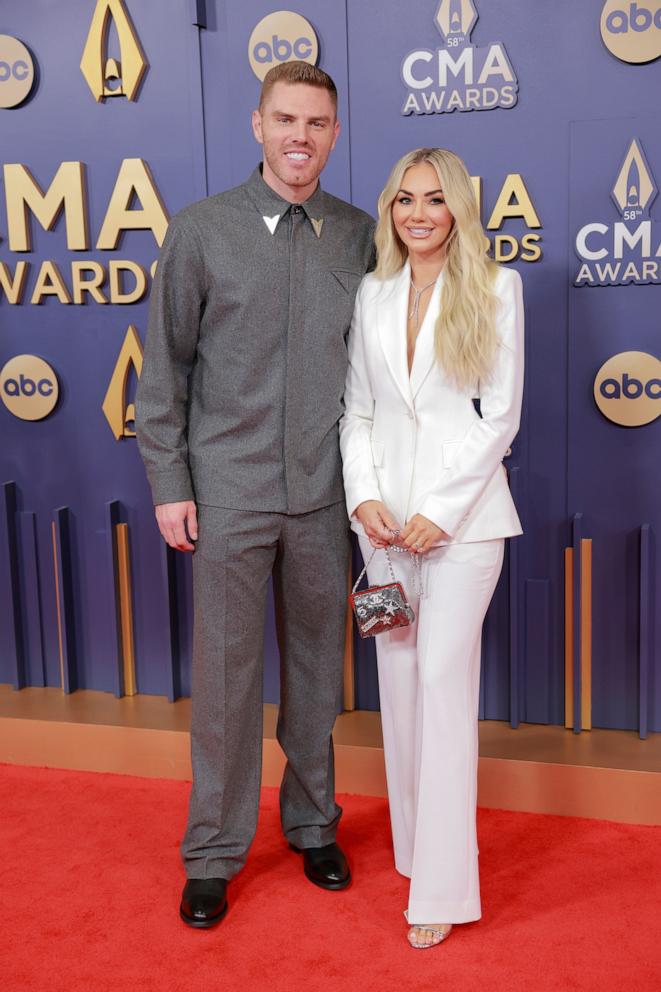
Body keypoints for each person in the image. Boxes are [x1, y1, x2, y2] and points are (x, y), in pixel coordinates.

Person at [135, 61, 375, 928]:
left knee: (316, 674)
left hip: (324, 495)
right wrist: (171, 482)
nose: (299, 137)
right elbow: (164, 372)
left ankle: (313, 827)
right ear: (256, 124)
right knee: (229, 683)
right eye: (285, 120)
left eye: (316, 122)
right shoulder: (200, 231)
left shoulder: (359, 235)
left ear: (335, 133)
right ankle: (213, 853)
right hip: (228, 494)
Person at [339, 148, 524, 949]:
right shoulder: (373, 292)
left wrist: (440, 512)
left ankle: (442, 890)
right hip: (383, 534)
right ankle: (415, 852)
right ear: (390, 209)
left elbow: (499, 419)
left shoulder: (494, 288)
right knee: (400, 690)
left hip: (464, 532)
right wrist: (364, 498)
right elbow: (358, 413)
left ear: (457, 210)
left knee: (444, 696)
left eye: (434, 200)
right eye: (405, 200)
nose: (418, 213)